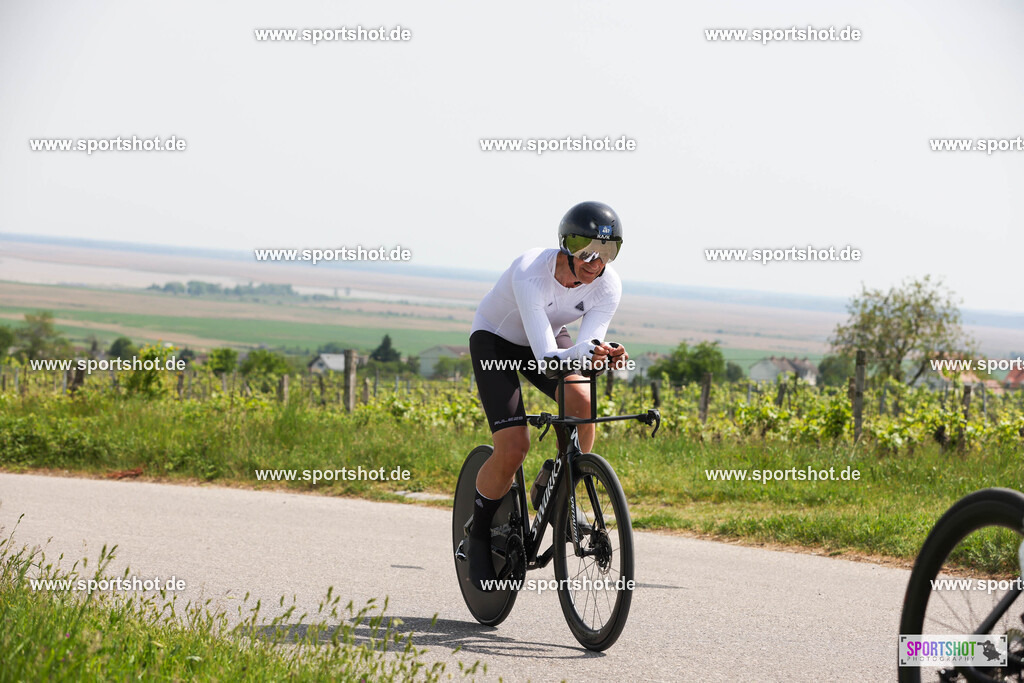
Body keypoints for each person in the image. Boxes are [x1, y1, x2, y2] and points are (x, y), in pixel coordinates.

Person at [466, 201, 629, 591]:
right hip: (498, 342)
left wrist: (603, 355)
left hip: (550, 338)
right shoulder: (531, 272)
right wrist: (584, 353)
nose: (595, 262)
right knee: (513, 446)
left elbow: (585, 346)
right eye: (586, 250)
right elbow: (546, 357)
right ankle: (477, 533)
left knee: (583, 403)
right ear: (565, 246)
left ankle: (555, 486)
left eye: (607, 252)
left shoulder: (609, 285)